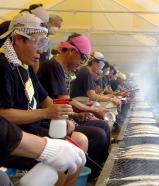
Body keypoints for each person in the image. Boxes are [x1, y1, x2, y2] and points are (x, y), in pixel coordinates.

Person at [0, 12, 88, 186]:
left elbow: (44, 97)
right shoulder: (3, 68)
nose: (42, 49)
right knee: (59, 161)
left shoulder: (25, 67)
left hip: (29, 132)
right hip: (11, 140)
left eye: (44, 42)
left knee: (79, 141)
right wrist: (47, 113)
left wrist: (62, 116)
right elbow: (4, 116)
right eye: (38, 42)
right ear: (18, 39)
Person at [37, 34, 111, 177]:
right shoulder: (53, 66)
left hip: (58, 118)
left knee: (102, 126)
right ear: (72, 51)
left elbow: (64, 101)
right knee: (99, 133)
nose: (82, 63)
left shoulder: (60, 68)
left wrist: (77, 114)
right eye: (82, 58)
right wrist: (92, 110)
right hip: (50, 123)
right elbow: (64, 101)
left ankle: (95, 171)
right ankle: (90, 176)